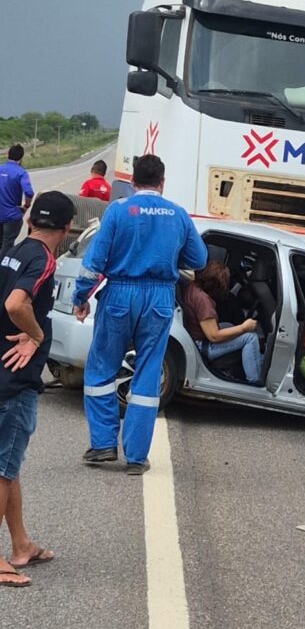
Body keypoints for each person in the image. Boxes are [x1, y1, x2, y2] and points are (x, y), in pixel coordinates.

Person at [72, 155, 207, 475]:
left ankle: (103, 444)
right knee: (147, 372)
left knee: (101, 369)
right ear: (162, 182)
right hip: (159, 298)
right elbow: (199, 259)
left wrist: (81, 298)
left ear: (133, 181)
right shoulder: (178, 214)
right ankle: (135, 458)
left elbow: (94, 263)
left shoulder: (118, 211)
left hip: (119, 294)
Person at [0, 191, 75, 588]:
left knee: (8, 464)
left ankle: (21, 544)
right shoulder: (44, 259)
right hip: (16, 380)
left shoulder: (12, 252)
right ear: (67, 228)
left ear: (29, 220)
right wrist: (37, 334)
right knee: (3, 468)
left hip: (2, 371)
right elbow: (16, 305)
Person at [181, 261, 263, 384]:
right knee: (251, 338)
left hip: (197, 336)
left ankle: (256, 358)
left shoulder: (193, 287)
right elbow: (213, 336)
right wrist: (244, 327)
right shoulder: (203, 301)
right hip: (202, 346)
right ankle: (254, 381)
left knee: (229, 326)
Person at [0, 145, 34, 259]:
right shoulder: (21, 173)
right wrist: (26, 206)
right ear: (21, 157)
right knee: (7, 244)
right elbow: (29, 192)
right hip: (11, 216)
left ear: (8, 154)